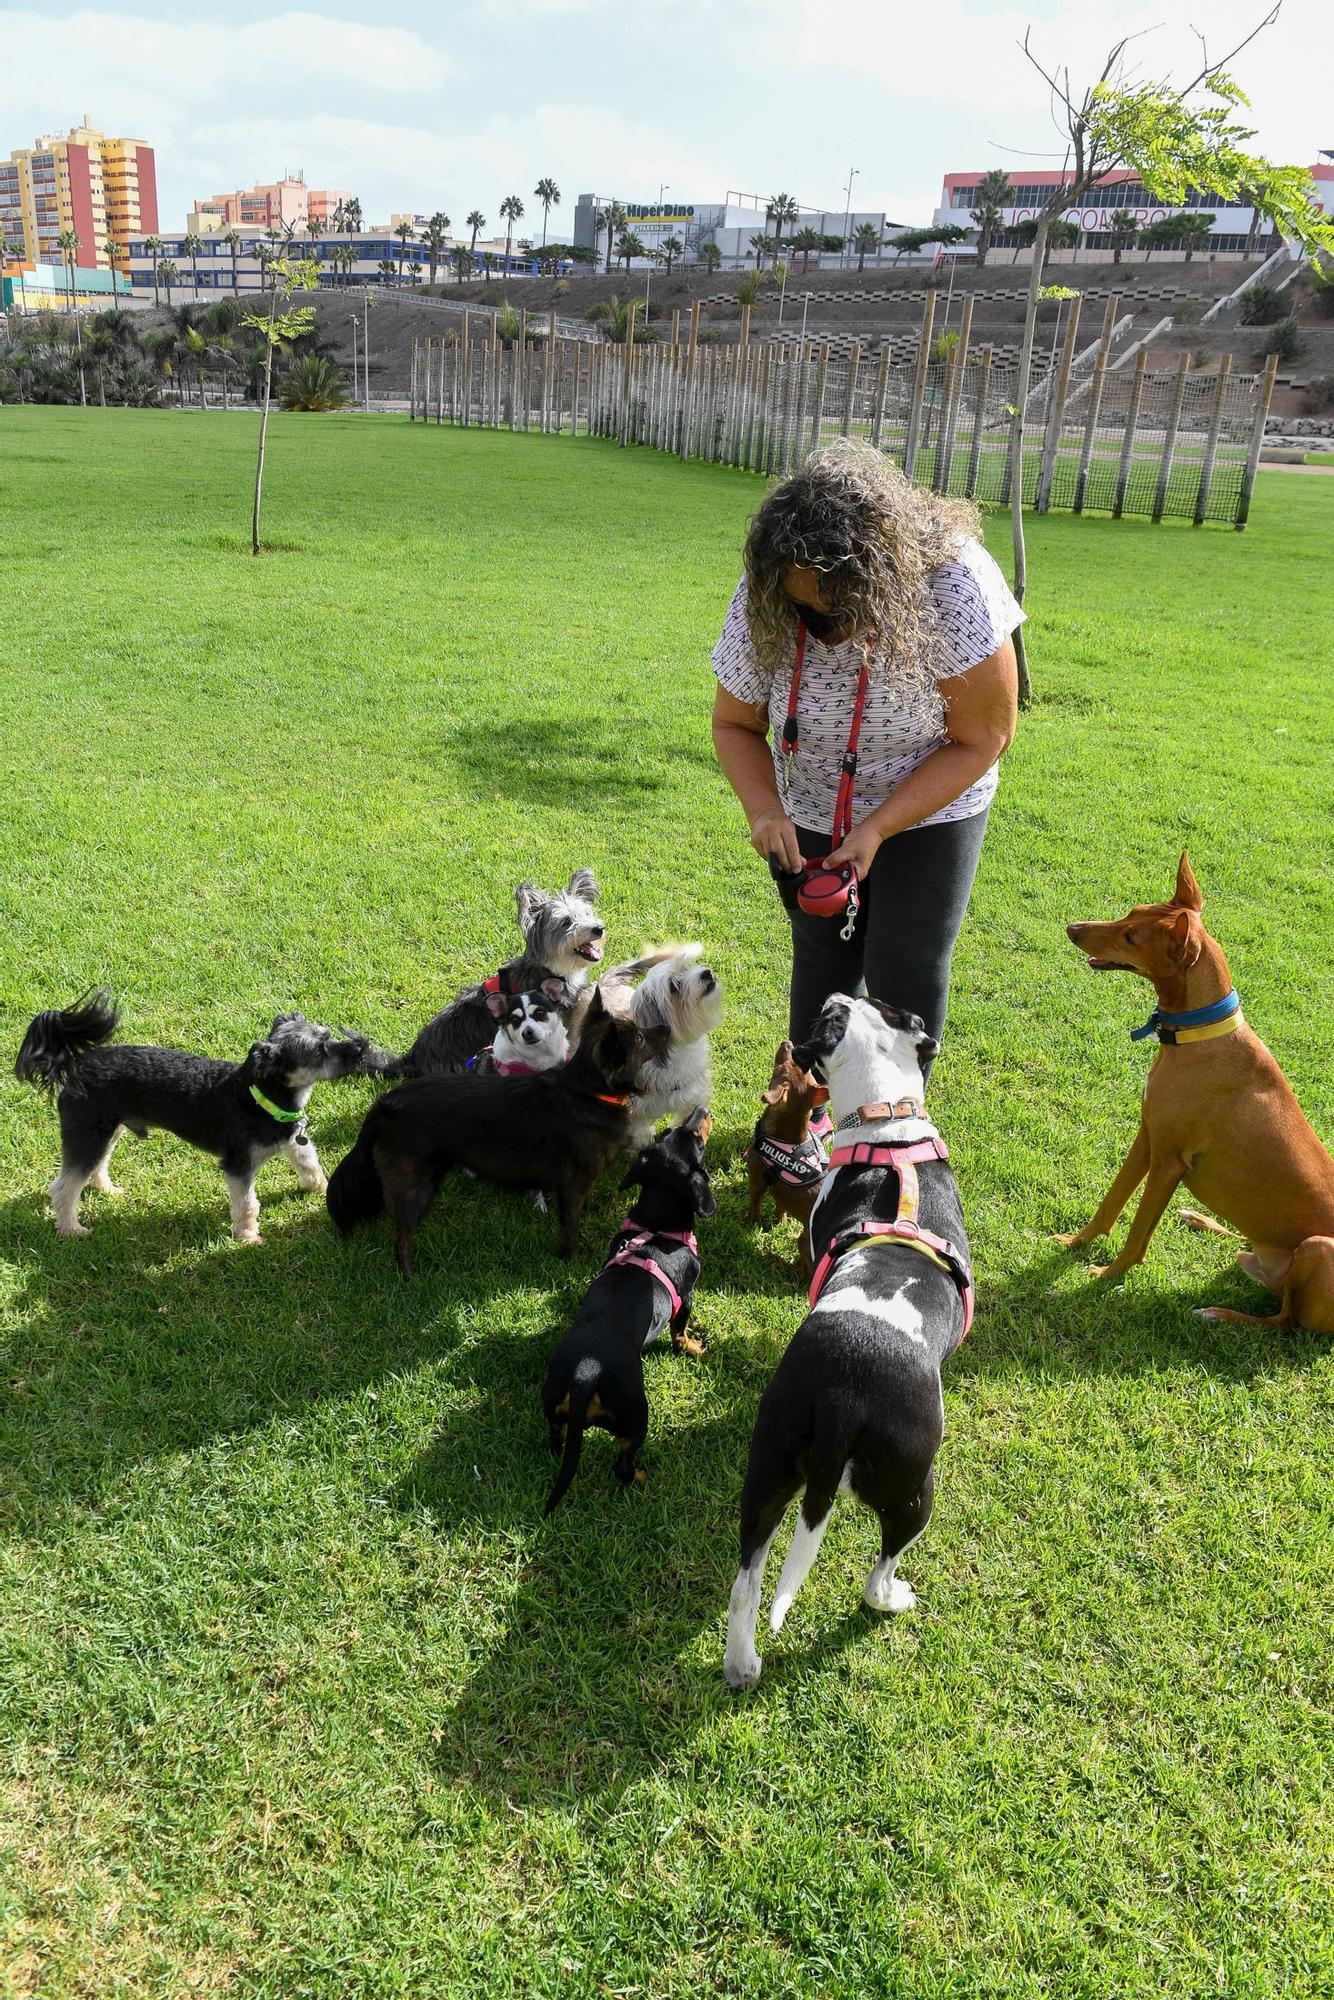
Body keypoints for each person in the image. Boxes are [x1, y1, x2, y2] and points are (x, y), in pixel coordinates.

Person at [711, 439, 1021, 1061]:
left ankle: (891, 1132)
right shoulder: (769, 589)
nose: (822, 631)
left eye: (838, 611)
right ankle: (806, 1118)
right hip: (812, 800)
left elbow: (984, 735)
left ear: (880, 578)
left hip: (932, 807)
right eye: (805, 611)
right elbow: (735, 723)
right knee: (823, 956)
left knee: (904, 967)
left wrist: (879, 828)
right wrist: (767, 812)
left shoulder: (952, 585)